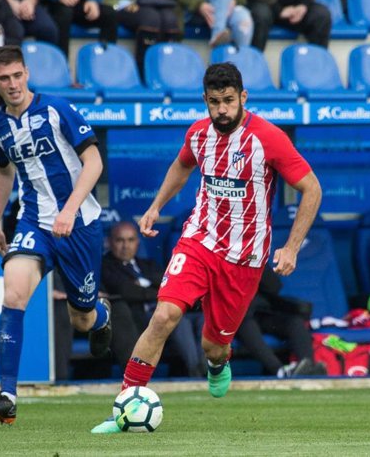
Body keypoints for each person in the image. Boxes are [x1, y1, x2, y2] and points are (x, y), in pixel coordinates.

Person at [92, 62, 322, 433]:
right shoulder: (199, 134)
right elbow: (182, 166)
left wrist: (291, 248)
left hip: (244, 258)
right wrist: (155, 207)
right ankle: (122, 411)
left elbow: (312, 188)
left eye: (229, 101)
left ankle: (217, 363)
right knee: (165, 315)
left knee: (213, 346)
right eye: (214, 102)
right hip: (199, 240)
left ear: (243, 97)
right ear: (205, 100)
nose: (222, 110)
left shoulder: (268, 138)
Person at [0, 45, 112, 425]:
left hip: (79, 223)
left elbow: (94, 160)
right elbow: (4, 174)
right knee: (13, 291)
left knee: (81, 319)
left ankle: (100, 314)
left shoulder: (58, 109)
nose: (13, 84)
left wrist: (69, 209)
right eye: (4, 78)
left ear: (27, 72)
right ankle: (7, 395)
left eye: (17, 75)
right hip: (34, 221)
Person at [102, 221, 206, 376]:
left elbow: (170, 283)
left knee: (204, 318)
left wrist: (144, 285)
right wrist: (153, 287)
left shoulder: (148, 264)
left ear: (138, 242)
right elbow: (126, 291)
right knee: (177, 321)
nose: (126, 246)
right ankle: (196, 372)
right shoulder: (105, 266)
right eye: (120, 240)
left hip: (165, 310)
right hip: (140, 318)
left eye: (130, 240)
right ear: (109, 242)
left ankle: (206, 369)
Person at [236, 266, 326, 377]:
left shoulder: (253, 257)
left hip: (260, 312)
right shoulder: (217, 257)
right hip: (232, 317)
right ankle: (280, 371)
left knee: (294, 322)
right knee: (243, 321)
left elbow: (274, 287)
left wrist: (256, 265)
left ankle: (309, 368)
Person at [103, 0, 181, 78]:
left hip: (161, 6)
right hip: (126, 5)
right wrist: (126, 3)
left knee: (170, 19)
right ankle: (143, 73)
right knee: (151, 18)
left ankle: (169, 73)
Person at [247, 0, 331, 52]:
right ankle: (254, 67)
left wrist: (303, 5)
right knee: (261, 15)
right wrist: (278, 9)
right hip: (265, 4)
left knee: (321, 15)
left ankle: (318, 68)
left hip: (295, 6)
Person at [43, 0, 118, 56]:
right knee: (64, 15)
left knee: (110, 14)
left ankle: (106, 61)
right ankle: (61, 65)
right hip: (54, 4)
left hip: (80, 3)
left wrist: (92, 0)